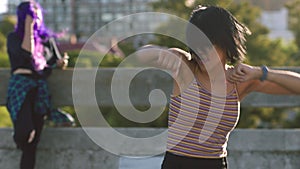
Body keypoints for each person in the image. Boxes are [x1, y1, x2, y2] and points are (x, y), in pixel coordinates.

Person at [136, 5, 300, 169]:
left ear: (225, 42)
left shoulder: (239, 80)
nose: (201, 52)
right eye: (196, 46)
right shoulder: (185, 67)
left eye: (208, 45)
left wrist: (261, 73)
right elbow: (141, 55)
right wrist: (160, 53)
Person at [6, 1, 72, 169]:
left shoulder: (46, 41)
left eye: (37, 13)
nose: (36, 17)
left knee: (32, 145)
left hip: (40, 89)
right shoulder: (14, 38)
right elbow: (27, 53)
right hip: (21, 87)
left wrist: (61, 62)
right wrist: (29, 27)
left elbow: (54, 62)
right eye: (31, 14)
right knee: (25, 134)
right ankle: (20, 138)